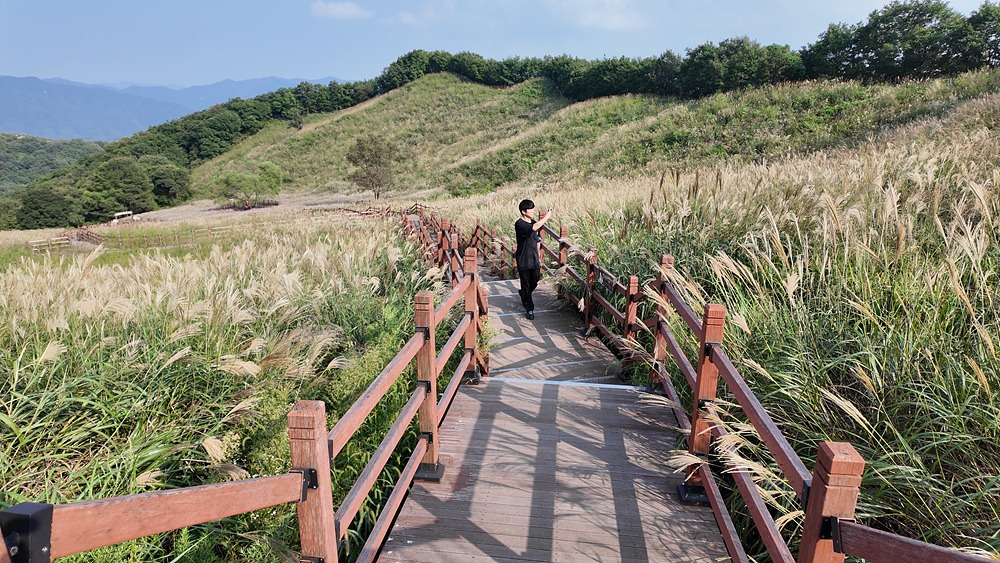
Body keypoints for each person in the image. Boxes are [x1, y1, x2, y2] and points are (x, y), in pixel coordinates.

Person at [514, 199, 552, 320]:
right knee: (525, 283)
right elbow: (533, 228)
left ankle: (524, 294)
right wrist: (547, 217)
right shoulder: (519, 224)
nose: (533, 211)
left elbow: (537, 240)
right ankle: (529, 309)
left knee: (535, 279)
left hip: (534, 258)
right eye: (531, 210)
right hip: (524, 258)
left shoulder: (534, 222)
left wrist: (539, 257)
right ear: (523, 211)